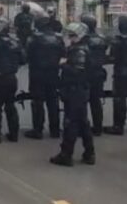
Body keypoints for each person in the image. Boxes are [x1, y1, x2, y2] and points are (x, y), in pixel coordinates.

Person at [50, 22, 95, 167]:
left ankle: (66, 154)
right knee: (83, 123)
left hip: (75, 91)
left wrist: (63, 64)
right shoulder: (79, 48)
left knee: (71, 123)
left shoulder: (79, 51)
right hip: (79, 91)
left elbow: (78, 71)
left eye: (73, 35)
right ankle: (89, 153)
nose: (70, 37)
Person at [25, 15, 65, 140]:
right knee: (53, 101)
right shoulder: (58, 38)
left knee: (37, 101)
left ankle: (38, 129)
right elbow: (63, 54)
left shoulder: (33, 38)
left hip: (37, 73)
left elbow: (26, 55)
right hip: (53, 73)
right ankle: (55, 129)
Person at [79, 13, 109, 136]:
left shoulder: (83, 39)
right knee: (96, 101)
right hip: (99, 72)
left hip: (85, 73)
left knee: (82, 101)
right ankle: (98, 127)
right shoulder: (102, 39)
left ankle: (83, 127)